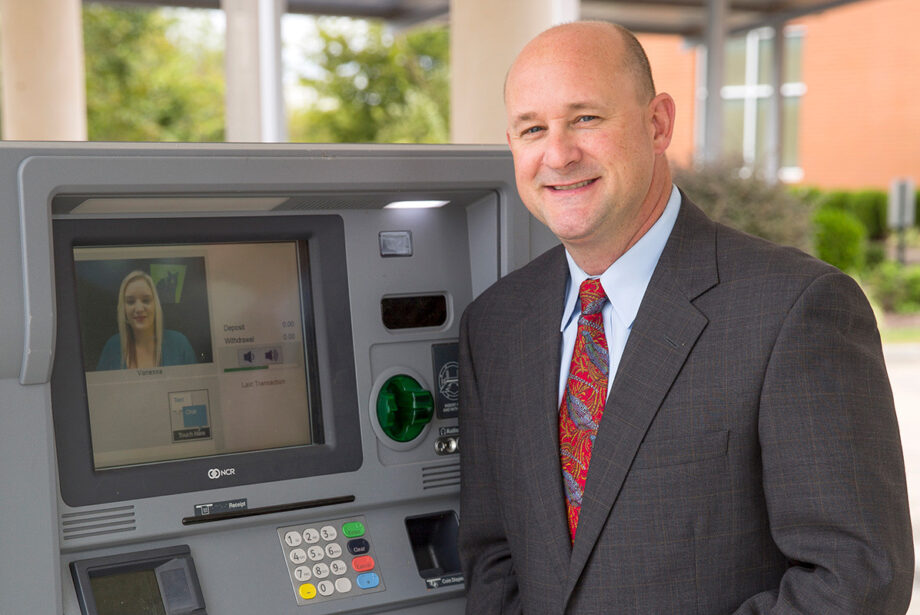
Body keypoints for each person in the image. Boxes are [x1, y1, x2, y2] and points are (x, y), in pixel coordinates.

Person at [458, 21, 913, 614]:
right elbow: (494, 560)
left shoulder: (796, 308)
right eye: (532, 129)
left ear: (658, 124)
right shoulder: (495, 325)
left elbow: (857, 579)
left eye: (586, 118)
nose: (559, 154)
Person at [96, 270, 196, 371]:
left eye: (146, 300)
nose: (139, 309)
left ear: (155, 305)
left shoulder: (180, 344)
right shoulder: (112, 347)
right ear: (123, 309)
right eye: (130, 302)